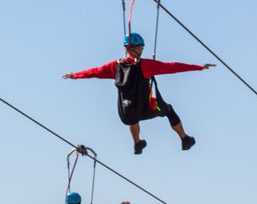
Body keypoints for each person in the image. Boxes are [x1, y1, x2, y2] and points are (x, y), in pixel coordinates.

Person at [62, 32, 216, 155]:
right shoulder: (145, 65)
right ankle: (185, 139)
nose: (143, 49)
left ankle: (137, 143)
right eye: (141, 47)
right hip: (146, 109)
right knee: (168, 109)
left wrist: (74, 75)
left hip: (125, 113)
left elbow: (94, 72)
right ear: (134, 48)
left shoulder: (115, 67)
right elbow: (172, 67)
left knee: (132, 118)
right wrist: (198, 67)